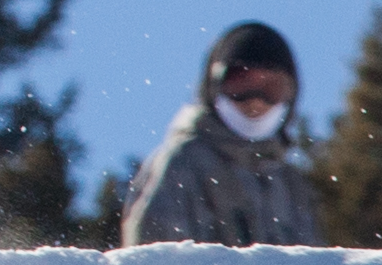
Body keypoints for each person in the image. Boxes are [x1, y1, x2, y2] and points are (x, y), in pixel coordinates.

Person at [122, 21, 320, 247]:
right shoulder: (183, 163)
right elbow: (155, 263)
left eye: (271, 89)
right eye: (241, 85)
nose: (255, 101)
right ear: (213, 86)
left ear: (291, 95)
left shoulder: (290, 185)